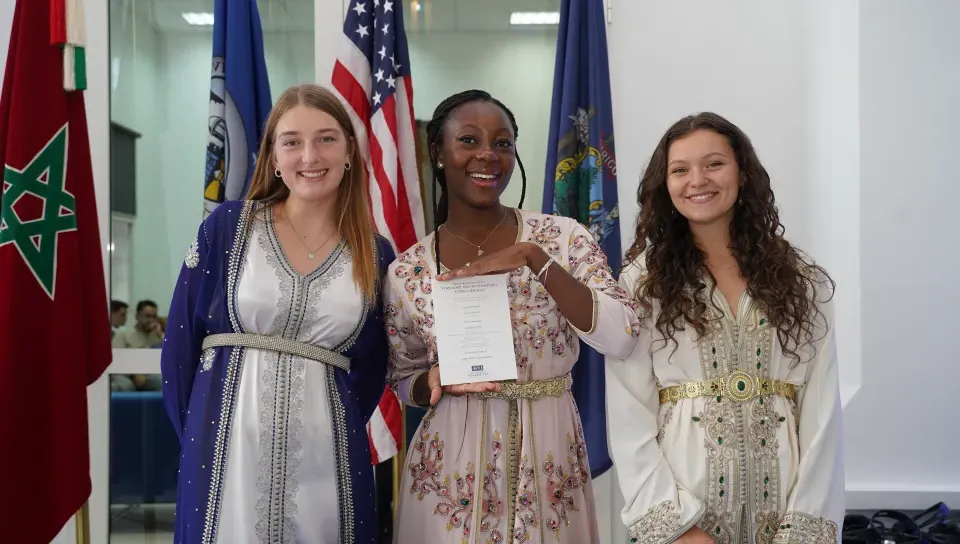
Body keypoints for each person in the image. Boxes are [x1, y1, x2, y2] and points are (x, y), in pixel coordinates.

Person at [384, 89, 641, 544]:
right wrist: (434, 381)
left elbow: (622, 335)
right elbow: (403, 375)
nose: (488, 153)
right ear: (438, 154)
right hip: (449, 474)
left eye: (502, 143)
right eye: (469, 140)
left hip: (549, 456)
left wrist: (533, 258)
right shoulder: (408, 270)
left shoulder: (562, 239)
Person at [160, 83, 394, 544]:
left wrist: (329, 422)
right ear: (272, 157)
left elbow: (370, 370)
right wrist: (202, 436)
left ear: (349, 150)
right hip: (223, 454)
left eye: (327, 138)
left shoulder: (375, 254)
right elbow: (179, 349)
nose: (310, 155)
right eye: (292, 141)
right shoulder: (227, 228)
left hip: (329, 460)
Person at [607, 112, 843, 544]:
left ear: (742, 173)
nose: (698, 180)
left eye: (714, 164)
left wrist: (804, 526)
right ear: (666, 185)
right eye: (680, 170)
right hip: (686, 507)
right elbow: (628, 412)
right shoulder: (642, 282)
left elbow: (823, 409)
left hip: (785, 511)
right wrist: (676, 526)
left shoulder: (802, 277)